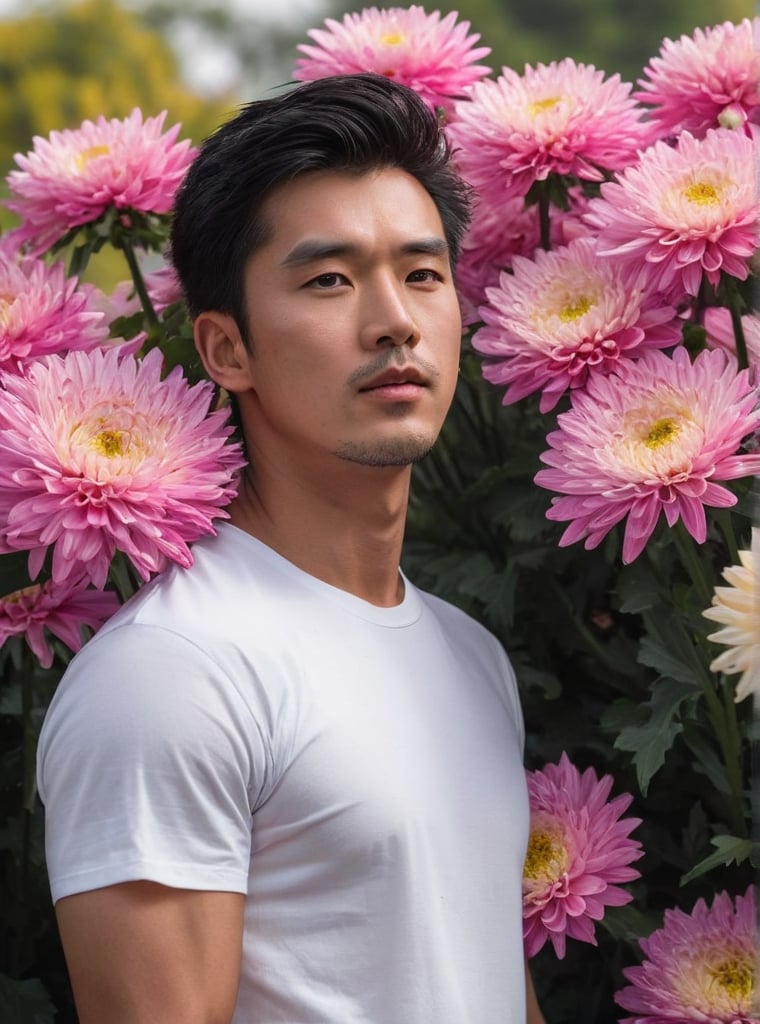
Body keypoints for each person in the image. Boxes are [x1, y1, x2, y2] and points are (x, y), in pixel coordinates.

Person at [37, 73, 545, 1024]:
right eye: (329, 279)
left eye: (423, 273)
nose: (394, 317)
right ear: (227, 350)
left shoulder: (470, 656)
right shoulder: (174, 674)